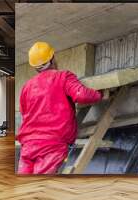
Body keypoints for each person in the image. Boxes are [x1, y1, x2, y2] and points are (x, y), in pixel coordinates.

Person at [17, 42, 103, 174]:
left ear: (34, 67)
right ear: (52, 58)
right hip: (52, 145)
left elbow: (24, 112)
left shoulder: (27, 87)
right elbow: (81, 95)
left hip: (28, 146)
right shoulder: (63, 77)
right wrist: (99, 94)